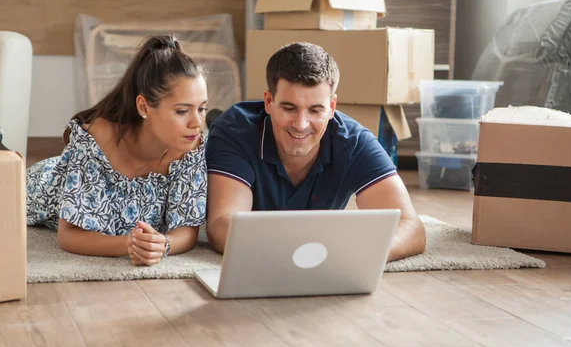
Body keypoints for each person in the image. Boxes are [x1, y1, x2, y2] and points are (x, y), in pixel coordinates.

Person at [205, 42, 426, 261]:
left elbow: (411, 228)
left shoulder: (354, 142)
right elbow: (221, 225)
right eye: (289, 108)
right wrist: (297, 252)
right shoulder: (233, 132)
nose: (301, 124)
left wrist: (364, 254)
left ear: (331, 107)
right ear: (269, 101)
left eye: (315, 110)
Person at [26, 35, 208, 266]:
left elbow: (187, 229)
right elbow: (69, 235)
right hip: (41, 184)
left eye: (202, 108)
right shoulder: (98, 138)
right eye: (182, 111)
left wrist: (163, 244)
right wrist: (128, 245)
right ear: (144, 107)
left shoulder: (191, 147)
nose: (197, 122)